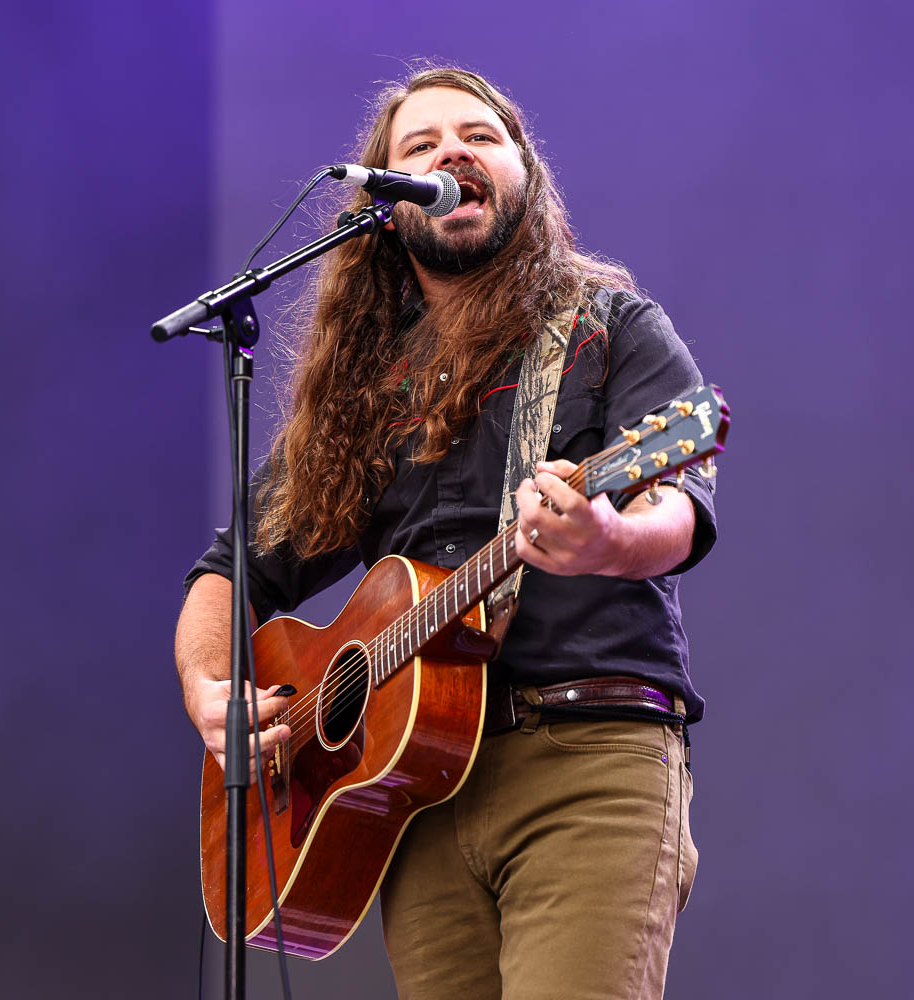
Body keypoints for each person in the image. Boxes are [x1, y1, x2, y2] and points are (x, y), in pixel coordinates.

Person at [174, 66, 716, 1000]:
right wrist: (209, 691)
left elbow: (678, 504)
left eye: (479, 137)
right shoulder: (364, 391)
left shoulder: (609, 328)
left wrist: (606, 542)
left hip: (584, 757)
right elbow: (231, 571)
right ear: (388, 206)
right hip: (416, 796)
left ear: (524, 174)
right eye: (420, 147)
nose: (451, 154)